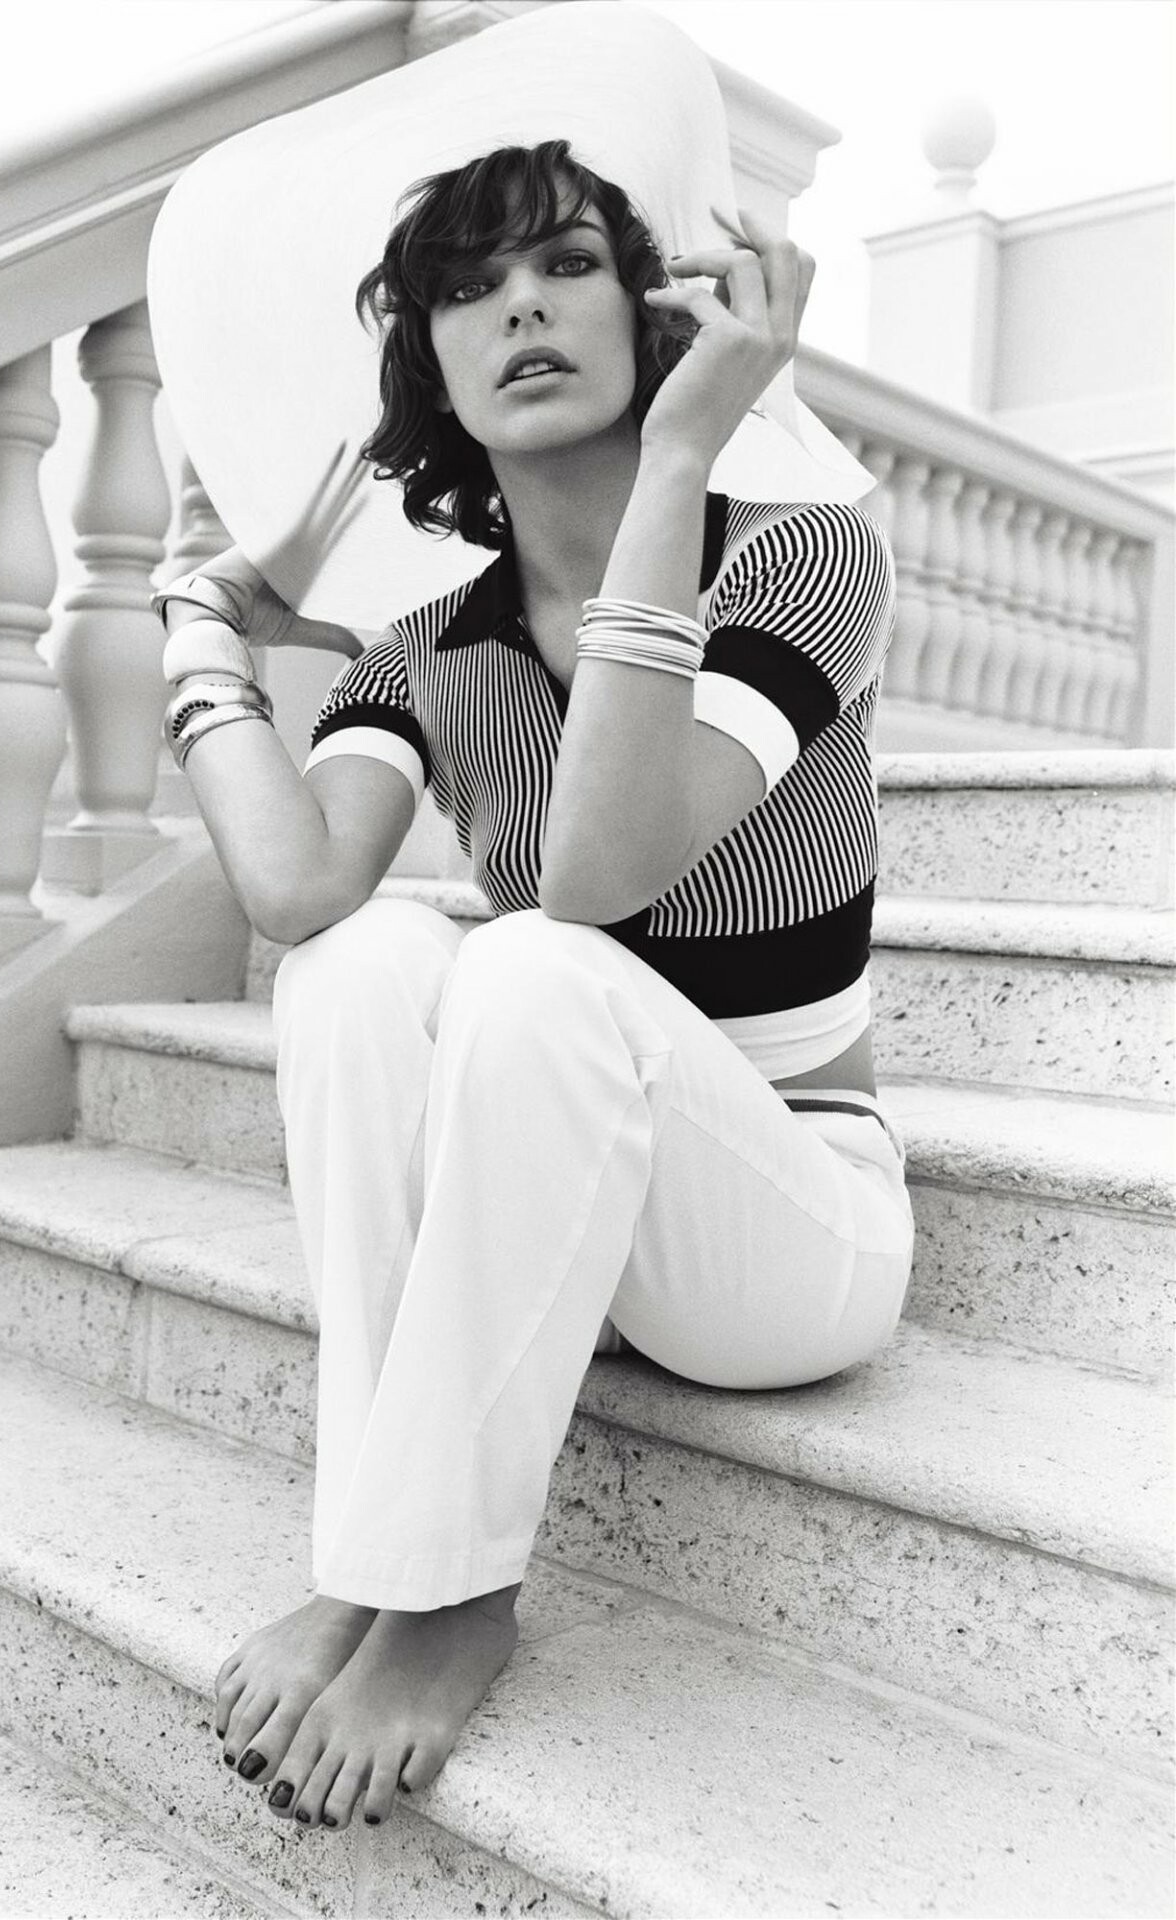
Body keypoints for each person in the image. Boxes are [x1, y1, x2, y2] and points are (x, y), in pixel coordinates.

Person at [151, 134, 912, 1837]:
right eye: (469, 288)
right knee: (361, 958)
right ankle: (372, 1553)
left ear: (651, 312)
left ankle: (449, 1596)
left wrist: (686, 451)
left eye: (567, 265)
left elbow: (598, 875)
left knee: (532, 963)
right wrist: (204, 623)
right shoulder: (428, 654)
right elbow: (292, 888)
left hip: (792, 1235)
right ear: (432, 365)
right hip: (583, 1224)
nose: (523, 308)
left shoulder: (802, 563)